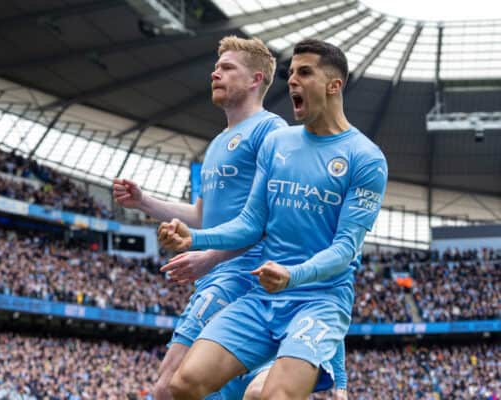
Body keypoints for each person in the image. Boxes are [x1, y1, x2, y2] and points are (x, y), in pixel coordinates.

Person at [159, 38, 388, 400]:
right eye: (291, 73)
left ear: (334, 85)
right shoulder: (278, 144)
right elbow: (251, 222)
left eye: (305, 72)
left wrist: (292, 275)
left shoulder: (365, 158)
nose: (292, 81)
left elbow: (346, 248)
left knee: (271, 398)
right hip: (263, 296)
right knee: (182, 385)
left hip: (320, 300)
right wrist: (195, 238)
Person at [113, 35, 288, 400]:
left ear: (256, 80)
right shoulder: (217, 143)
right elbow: (201, 215)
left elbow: (273, 218)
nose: (215, 74)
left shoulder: (270, 131)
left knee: (168, 384)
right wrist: (145, 202)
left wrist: (209, 257)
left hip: (243, 275)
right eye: (215, 67)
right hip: (217, 276)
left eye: (227, 68)